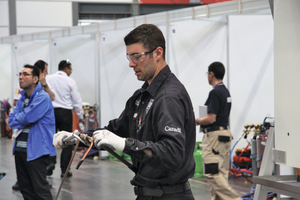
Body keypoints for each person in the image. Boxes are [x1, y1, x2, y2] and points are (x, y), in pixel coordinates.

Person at [53, 24, 196, 200]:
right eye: (129, 57)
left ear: (158, 53)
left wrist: (126, 144)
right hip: (147, 193)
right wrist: (77, 138)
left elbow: (172, 153)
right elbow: (112, 131)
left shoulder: (168, 97)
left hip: (170, 195)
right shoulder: (141, 97)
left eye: (137, 56)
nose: (130, 64)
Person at [195, 62, 241, 200]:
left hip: (214, 138)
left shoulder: (215, 92)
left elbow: (210, 119)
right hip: (225, 135)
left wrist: (196, 120)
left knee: (212, 173)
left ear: (211, 74)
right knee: (221, 174)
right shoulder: (225, 92)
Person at [8, 65, 54, 200]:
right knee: (25, 190)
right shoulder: (22, 98)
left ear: (35, 79)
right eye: (20, 74)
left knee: (40, 191)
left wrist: (22, 117)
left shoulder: (43, 98)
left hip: (37, 152)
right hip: (20, 151)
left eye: (25, 74)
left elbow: (28, 117)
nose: (21, 77)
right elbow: (11, 121)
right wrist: (22, 117)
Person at [46, 60, 84, 178]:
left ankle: (50, 163)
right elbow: (76, 100)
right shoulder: (70, 81)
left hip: (51, 112)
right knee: (67, 141)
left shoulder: (48, 78)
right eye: (70, 69)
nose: (71, 72)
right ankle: (65, 170)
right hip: (65, 113)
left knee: (51, 138)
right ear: (66, 68)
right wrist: (80, 115)